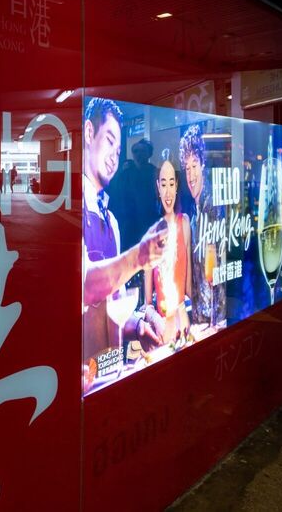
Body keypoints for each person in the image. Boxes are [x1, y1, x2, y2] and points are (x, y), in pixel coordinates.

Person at [81, 98, 167, 378]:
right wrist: (138, 257)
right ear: (89, 133)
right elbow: (84, 285)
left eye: (119, 151)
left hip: (110, 377)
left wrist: (138, 324)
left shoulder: (112, 222)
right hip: (81, 386)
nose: (114, 158)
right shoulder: (69, 213)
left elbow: (110, 306)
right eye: (109, 141)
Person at [143, 150, 193, 346]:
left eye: (171, 183)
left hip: (185, 328)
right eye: (163, 184)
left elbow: (189, 290)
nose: (168, 191)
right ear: (158, 187)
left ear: (177, 185)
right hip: (163, 334)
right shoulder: (150, 236)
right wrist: (156, 319)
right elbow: (147, 305)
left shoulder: (185, 224)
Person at [180, 124, 226, 328]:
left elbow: (216, 272)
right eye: (187, 168)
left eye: (194, 165)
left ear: (203, 164)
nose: (191, 175)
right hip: (201, 317)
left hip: (214, 319)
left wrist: (215, 324)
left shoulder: (212, 206)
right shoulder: (195, 210)